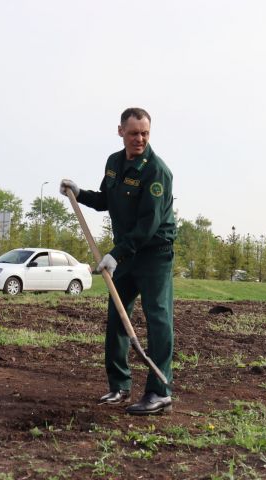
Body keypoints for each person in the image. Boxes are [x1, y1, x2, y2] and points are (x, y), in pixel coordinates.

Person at [60, 107, 176, 415]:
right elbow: (105, 200)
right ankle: (119, 386)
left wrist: (116, 254)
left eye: (145, 133)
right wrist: (78, 193)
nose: (139, 139)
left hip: (153, 253)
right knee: (117, 320)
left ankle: (159, 392)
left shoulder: (157, 172)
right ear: (121, 131)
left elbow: (148, 224)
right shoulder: (114, 162)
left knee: (158, 319)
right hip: (125, 252)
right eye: (134, 132)